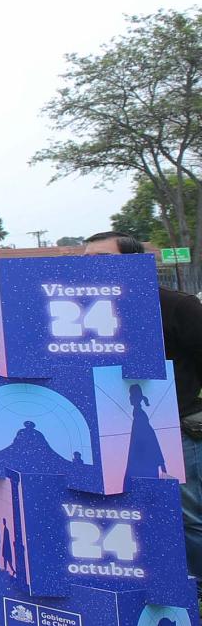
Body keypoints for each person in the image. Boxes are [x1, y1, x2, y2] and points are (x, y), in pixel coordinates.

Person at [83, 232, 202, 599]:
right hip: (109, 430)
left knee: (187, 518)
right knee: (127, 511)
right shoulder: (83, 308)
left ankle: (195, 590)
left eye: (101, 258)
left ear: (133, 261)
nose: (89, 266)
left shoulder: (176, 306)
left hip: (173, 428)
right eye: (85, 258)